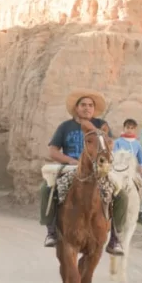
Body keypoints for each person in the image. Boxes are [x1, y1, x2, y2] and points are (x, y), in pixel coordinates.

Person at [39, 89, 126, 255]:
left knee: (121, 194)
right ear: (76, 108)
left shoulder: (101, 124)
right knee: (46, 189)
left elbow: (111, 144)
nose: (87, 108)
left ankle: (115, 238)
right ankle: (51, 232)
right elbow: (53, 150)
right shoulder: (65, 127)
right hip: (71, 168)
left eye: (90, 105)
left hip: (98, 169)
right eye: (83, 105)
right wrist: (70, 160)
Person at [113, 118, 142, 225]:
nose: (129, 130)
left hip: (132, 171)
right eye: (128, 127)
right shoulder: (118, 142)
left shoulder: (137, 144)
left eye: (132, 128)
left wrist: (141, 166)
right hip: (119, 171)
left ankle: (141, 213)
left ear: (135, 130)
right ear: (124, 128)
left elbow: (141, 158)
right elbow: (113, 156)